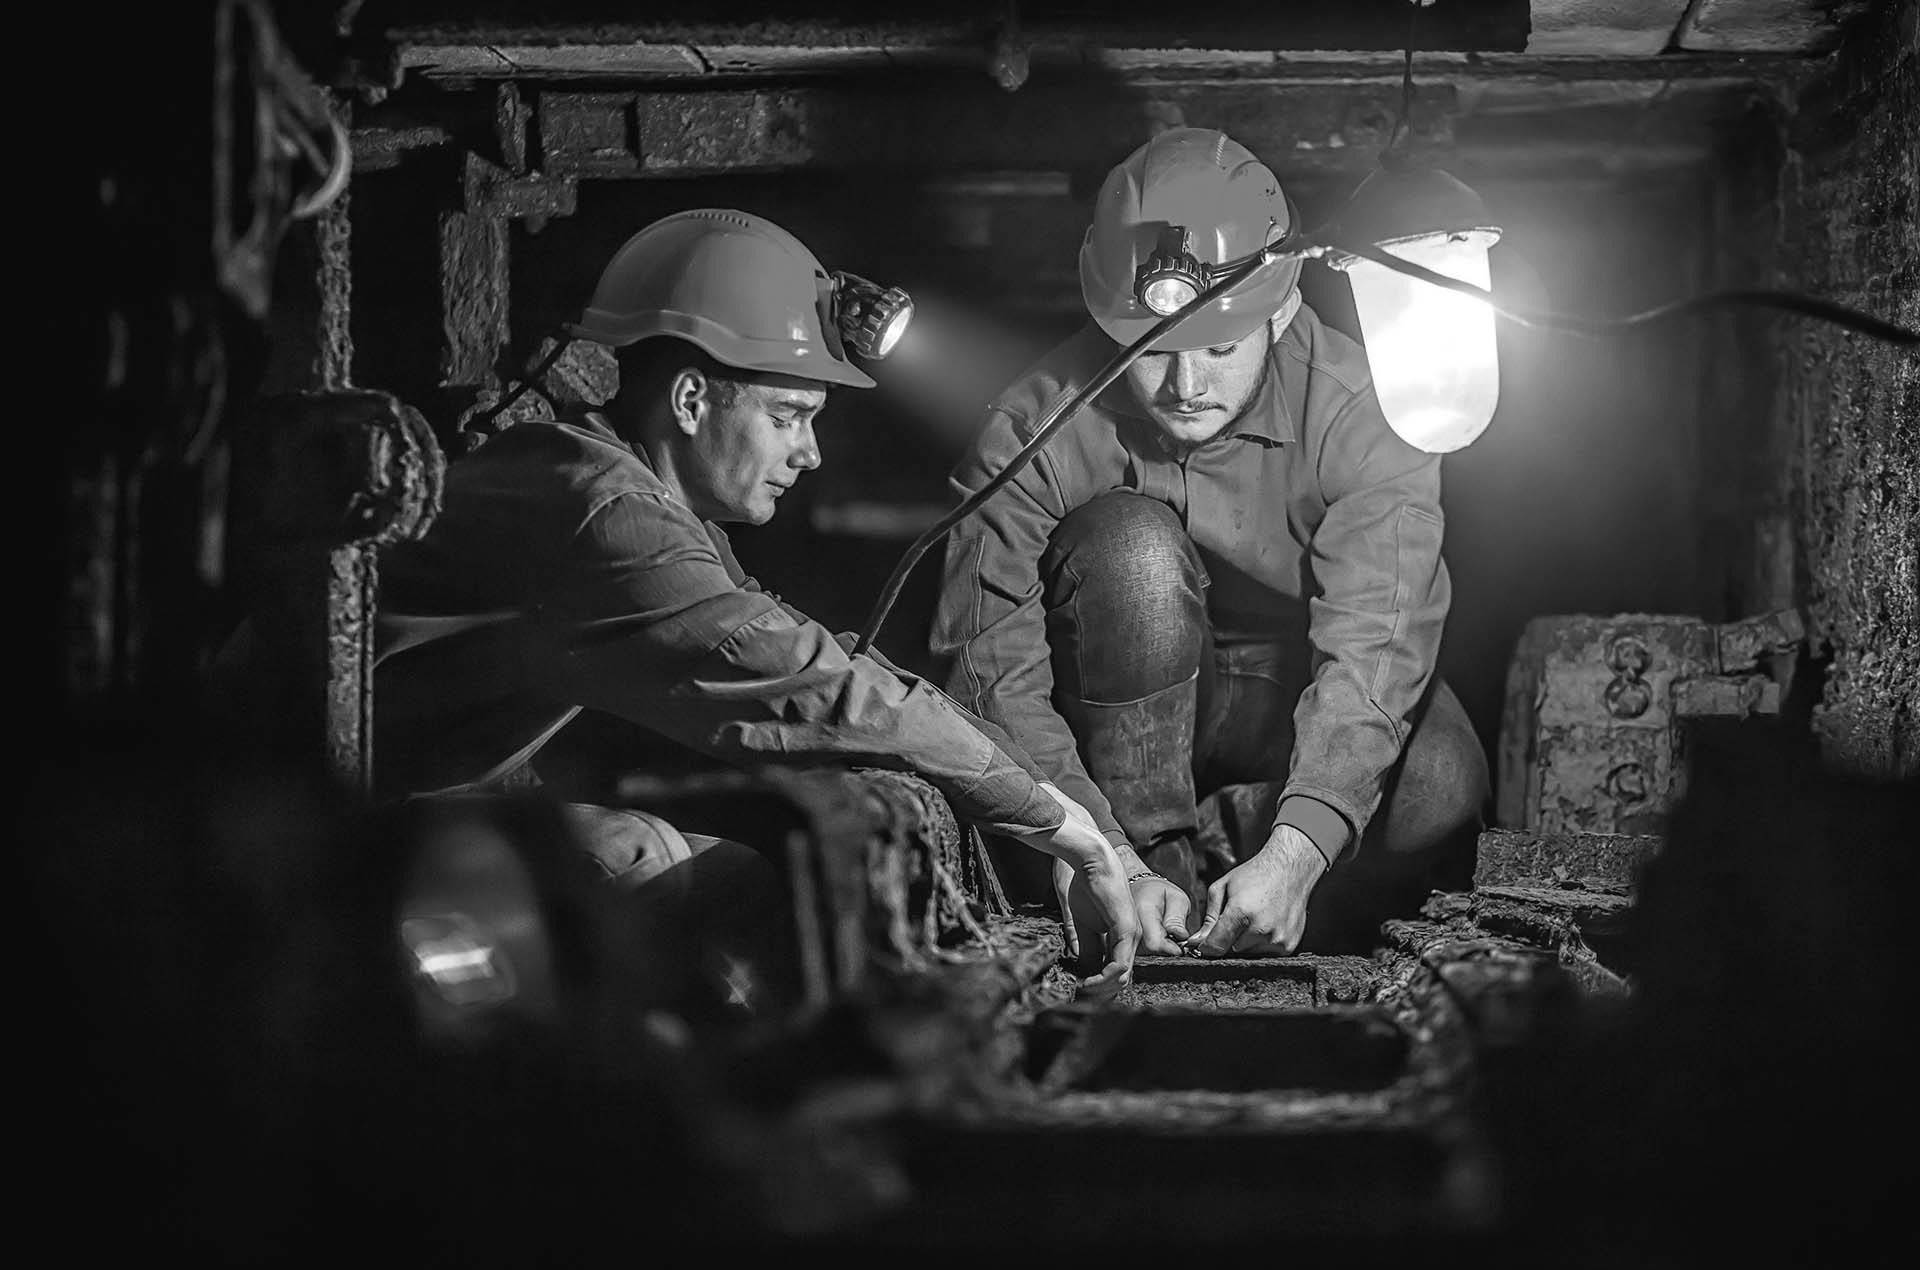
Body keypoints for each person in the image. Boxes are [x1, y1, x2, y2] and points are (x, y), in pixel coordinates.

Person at [371, 209, 1140, 986]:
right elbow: (817, 690)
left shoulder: (633, 499)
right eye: (788, 417)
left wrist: (1048, 806)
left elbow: (825, 656)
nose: (808, 453)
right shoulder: (610, 517)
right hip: (319, 818)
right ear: (691, 401)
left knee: (737, 884)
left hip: (438, 796)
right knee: (648, 865)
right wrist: (1055, 825)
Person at [930, 128, 1490, 957]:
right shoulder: (1034, 424)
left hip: (1289, 686)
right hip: (1114, 703)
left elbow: (1381, 639)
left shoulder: (1366, 411)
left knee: (1441, 781)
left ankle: (1251, 860)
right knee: (1134, 553)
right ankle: (1156, 882)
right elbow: (987, 663)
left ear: (1283, 306)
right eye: (1152, 352)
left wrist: (1300, 848)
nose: (1184, 388)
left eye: (1219, 348)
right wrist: (1098, 850)